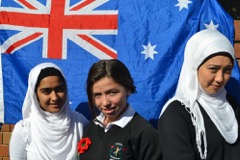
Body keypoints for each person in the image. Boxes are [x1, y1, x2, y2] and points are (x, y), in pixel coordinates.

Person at [158, 29, 240, 160]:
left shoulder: (231, 105)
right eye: (213, 69)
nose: (220, 78)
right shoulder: (177, 113)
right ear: (194, 66)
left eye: (227, 70)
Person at [79, 59, 162, 160]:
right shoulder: (92, 127)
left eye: (112, 92)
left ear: (128, 90)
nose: (105, 102)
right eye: (98, 95)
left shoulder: (144, 133)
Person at [9, 62, 89, 160]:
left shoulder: (80, 123)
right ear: (35, 94)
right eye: (46, 91)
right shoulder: (24, 130)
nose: (54, 97)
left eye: (59, 89)